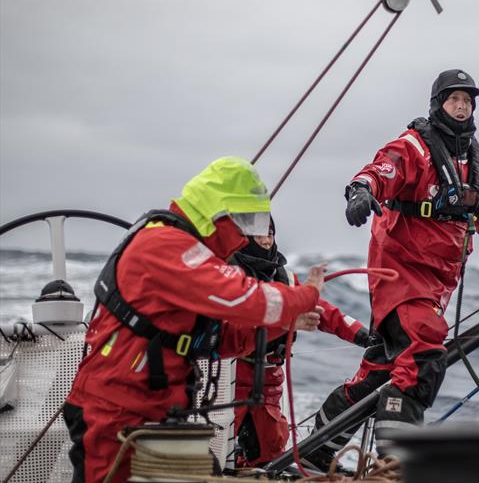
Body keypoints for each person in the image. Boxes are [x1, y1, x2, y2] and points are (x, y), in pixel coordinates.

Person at [304, 69, 479, 468]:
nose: (461, 107)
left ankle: (314, 452)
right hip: (398, 273)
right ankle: (393, 467)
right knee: (425, 353)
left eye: (467, 100)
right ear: (437, 104)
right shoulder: (413, 148)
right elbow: (381, 170)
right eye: (453, 99)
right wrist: (360, 191)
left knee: (383, 370)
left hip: (439, 281)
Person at [62, 156, 325, 483]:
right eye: (244, 222)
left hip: (153, 412)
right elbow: (246, 297)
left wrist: (285, 323)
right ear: (218, 214)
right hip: (113, 412)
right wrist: (307, 294)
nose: (245, 238)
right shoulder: (164, 245)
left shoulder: (185, 254)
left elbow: (215, 337)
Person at [231, 218, 369, 467]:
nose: (265, 240)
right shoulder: (230, 278)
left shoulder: (284, 277)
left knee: (270, 455)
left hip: (270, 381)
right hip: (231, 381)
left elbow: (325, 312)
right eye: (259, 235)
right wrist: (285, 321)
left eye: (270, 234)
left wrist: (362, 335)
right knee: (223, 445)